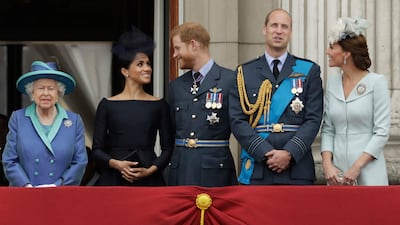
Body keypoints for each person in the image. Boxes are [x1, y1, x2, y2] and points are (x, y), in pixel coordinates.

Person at [229, 8, 323, 185]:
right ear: (265, 29)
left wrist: (289, 153)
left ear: (290, 33)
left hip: (297, 168)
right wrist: (265, 152)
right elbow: (237, 120)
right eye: (274, 25)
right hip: (258, 167)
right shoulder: (244, 73)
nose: (279, 31)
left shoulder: (309, 71)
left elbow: (314, 119)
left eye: (284, 27)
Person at [91, 26, 174, 186]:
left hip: (150, 179)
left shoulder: (159, 104)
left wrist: (150, 170)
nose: (147, 68)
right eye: (140, 64)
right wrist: (117, 164)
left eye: (148, 64)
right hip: (114, 179)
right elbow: (97, 150)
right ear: (125, 71)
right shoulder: (107, 104)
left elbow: (168, 148)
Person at [321, 17, 391, 186]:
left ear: (346, 53)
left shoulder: (377, 82)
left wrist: (357, 167)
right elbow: (328, 128)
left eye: (332, 47)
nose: (327, 52)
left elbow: (381, 132)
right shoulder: (332, 83)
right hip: (337, 176)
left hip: (368, 172)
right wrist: (327, 164)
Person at [167, 22, 237, 187]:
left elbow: (241, 126)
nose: (174, 55)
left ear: (193, 45)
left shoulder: (230, 80)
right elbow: (170, 133)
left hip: (215, 173)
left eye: (177, 48)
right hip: (180, 171)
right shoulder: (176, 86)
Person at [2, 61, 88, 187]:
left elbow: (80, 161)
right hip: (25, 195)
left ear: (58, 93)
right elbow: (9, 160)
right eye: (41, 88)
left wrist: (58, 185)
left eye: (51, 88)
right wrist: (26, 186)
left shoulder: (74, 121)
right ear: (32, 92)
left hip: (61, 194)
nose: (46, 93)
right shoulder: (18, 119)